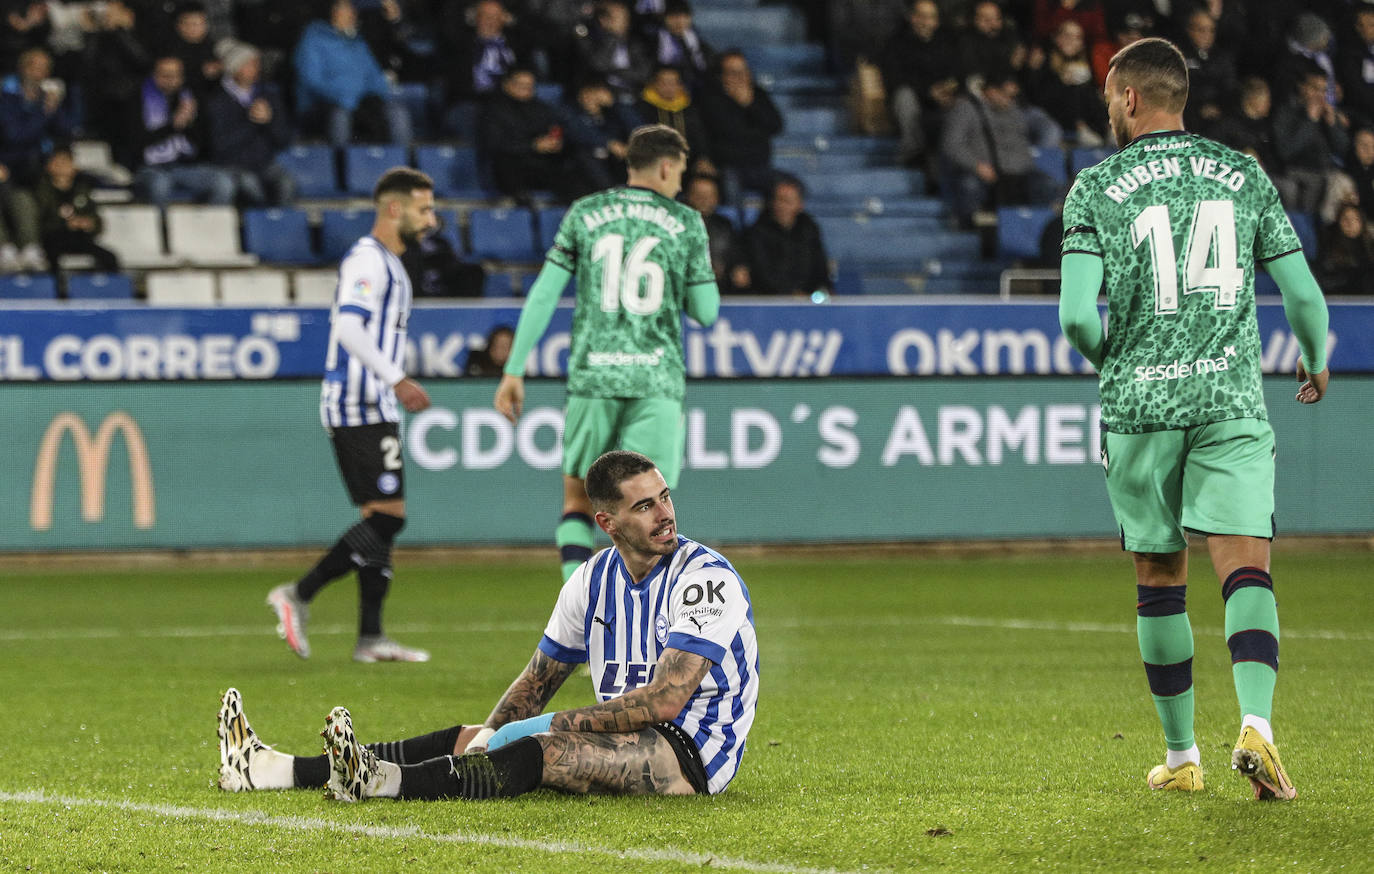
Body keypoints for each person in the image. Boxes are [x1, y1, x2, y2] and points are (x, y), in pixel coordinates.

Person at [1058, 37, 1330, 800]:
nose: (1109, 108)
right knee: (1246, 566)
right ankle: (1257, 726)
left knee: (1160, 578)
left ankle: (1181, 759)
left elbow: (1077, 318)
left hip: (1142, 409)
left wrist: (1117, 360)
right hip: (1230, 398)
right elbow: (1304, 297)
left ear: (1131, 98)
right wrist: (1314, 354)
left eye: (1111, 97)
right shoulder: (1243, 173)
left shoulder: (1096, 188)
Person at [221, 449, 758, 801]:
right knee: (477, 736)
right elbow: (536, 681)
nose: (665, 513)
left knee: (545, 750)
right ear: (607, 522)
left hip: (690, 750)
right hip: (624, 731)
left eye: (664, 497)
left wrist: (544, 727)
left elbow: (665, 703)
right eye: (645, 505)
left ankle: (383, 784)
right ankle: (276, 768)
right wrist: (490, 734)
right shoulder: (590, 581)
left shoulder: (705, 579)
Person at [494, 124, 720, 581]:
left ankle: (577, 610)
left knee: (578, 500)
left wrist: (514, 368)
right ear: (665, 166)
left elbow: (543, 294)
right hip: (656, 379)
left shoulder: (585, 213)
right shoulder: (687, 222)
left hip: (594, 377)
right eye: (679, 173)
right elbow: (706, 311)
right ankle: (652, 625)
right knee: (650, 512)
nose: (679, 183)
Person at [267, 166, 437, 664]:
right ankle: (297, 595)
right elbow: (348, 327)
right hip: (359, 403)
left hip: (373, 404)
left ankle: (369, 637)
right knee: (389, 519)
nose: (432, 219)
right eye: (423, 209)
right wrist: (396, 378)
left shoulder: (389, 263)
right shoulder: (368, 260)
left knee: (378, 520)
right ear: (393, 208)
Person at [293, 0, 412, 146]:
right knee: (341, 115)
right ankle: (340, 165)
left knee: (397, 112)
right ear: (333, 12)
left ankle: (402, 163)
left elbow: (374, 77)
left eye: (353, 10)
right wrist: (345, 97)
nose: (352, 14)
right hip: (323, 104)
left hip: (357, 104)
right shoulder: (313, 38)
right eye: (346, 9)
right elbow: (311, 80)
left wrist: (380, 96)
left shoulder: (357, 42)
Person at [130, 55, 237, 208]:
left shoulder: (191, 98)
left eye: (176, 75)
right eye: (165, 75)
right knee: (160, 185)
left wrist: (190, 123)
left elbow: (204, 144)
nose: (171, 79)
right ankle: (163, 231)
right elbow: (136, 143)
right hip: (149, 167)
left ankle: (209, 229)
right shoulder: (137, 100)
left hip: (185, 166)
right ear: (154, 75)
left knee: (223, 182)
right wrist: (173, 126)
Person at [203, 42, 295, 206]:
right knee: (252, 188)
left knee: (287, 184)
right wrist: (251, 121)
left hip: (264, 163)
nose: (256, 68)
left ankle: (280, 227)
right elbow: (220, 145)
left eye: (256, 63)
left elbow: (284, 139)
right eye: (249, 64)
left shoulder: (268, 95)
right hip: (231, 165)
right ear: (234, 67)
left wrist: (269, 121)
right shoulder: (216, 99)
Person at [737, 174, 831, 296]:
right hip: (770, 300)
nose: (781, 206)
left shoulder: (809, 229)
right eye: (778, 200)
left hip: (806, 299)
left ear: (800, 205)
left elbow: (819, 265)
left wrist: (822, 288)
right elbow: (761, 271)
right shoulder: (758, 231)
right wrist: (790, 294)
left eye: (787, 201)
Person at [34, 146, 118, 273]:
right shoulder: (40, 191)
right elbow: (37, 221)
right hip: (52, 239)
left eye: (66, 161)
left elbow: (97, 220)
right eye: (57, 161)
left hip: (79, 238)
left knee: (109, 257)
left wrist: (89, 223)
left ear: (74, 167)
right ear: (48, 166)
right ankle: (56, 291)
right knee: (51, 260)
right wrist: (65, 224)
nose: (61, 165)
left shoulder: (82, 190)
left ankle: (104, 290)